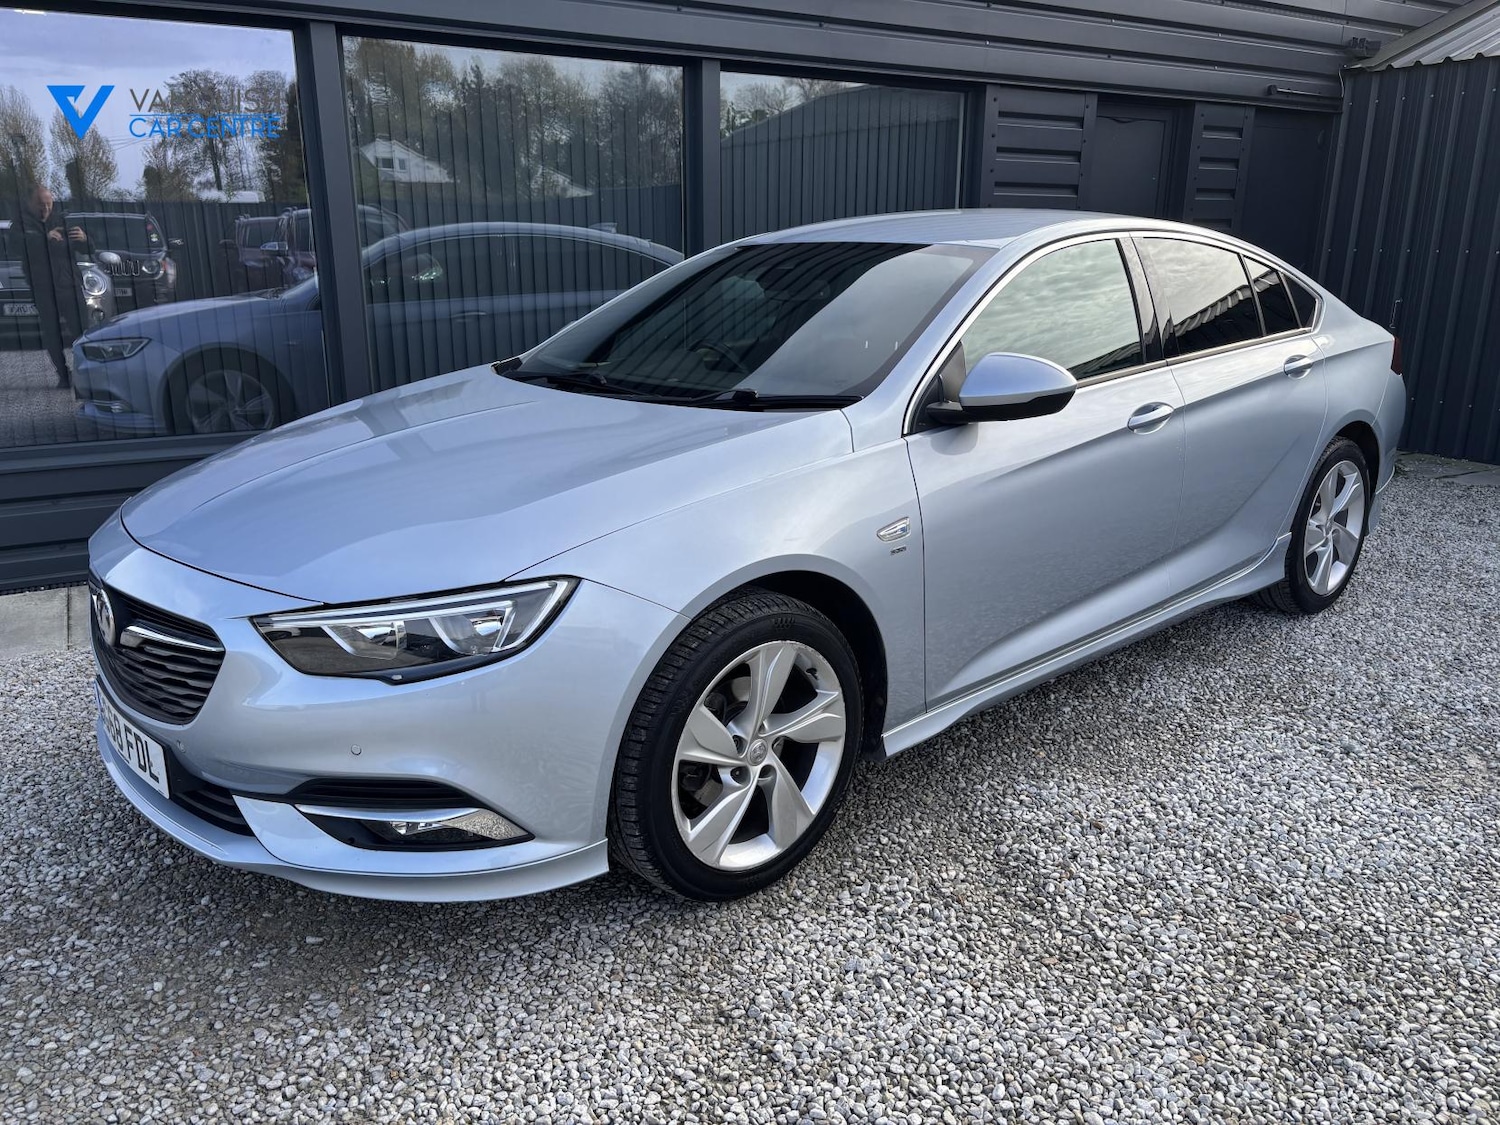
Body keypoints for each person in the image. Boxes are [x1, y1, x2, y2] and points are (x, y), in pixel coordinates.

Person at [17, 183, 92, 388]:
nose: (46, 209)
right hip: (44, 289)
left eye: (49, 204)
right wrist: (44, 238)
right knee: (52, 334)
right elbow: (21, 246)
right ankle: (63, 374)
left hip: (69, 285)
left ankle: (84, 373)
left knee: (82, 332)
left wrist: (85, 240)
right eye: (41, 204)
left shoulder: (62, 220)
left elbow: (87, 249)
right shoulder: (22, 224)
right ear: (30, 203)